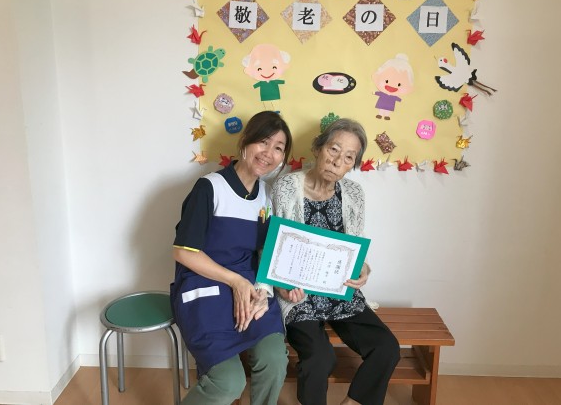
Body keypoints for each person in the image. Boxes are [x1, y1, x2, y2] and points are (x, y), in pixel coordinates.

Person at [272, 118, 401, 405]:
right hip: (299, 295)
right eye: (333, 149)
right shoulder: (286, 187)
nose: (337, 161)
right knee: (320, 357)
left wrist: (363, 270)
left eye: (348, 157)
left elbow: (356, 245)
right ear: (318, 148)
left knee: (387, 347)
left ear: (352, 164)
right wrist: (282, 287)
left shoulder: (353, 193)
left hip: (339, 290)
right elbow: (272, 245)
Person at [171, 111, 293, 405]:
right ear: (245, 141)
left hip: (250, 288)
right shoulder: (210, 187)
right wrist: (235, 281)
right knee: (228, 382)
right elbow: (183, 251)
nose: (269, 153)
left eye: (278, 147)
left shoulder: (265, 196)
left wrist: (268, 289)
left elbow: (265, 252)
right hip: (204, 286)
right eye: (263, 142)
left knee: (275, 360)